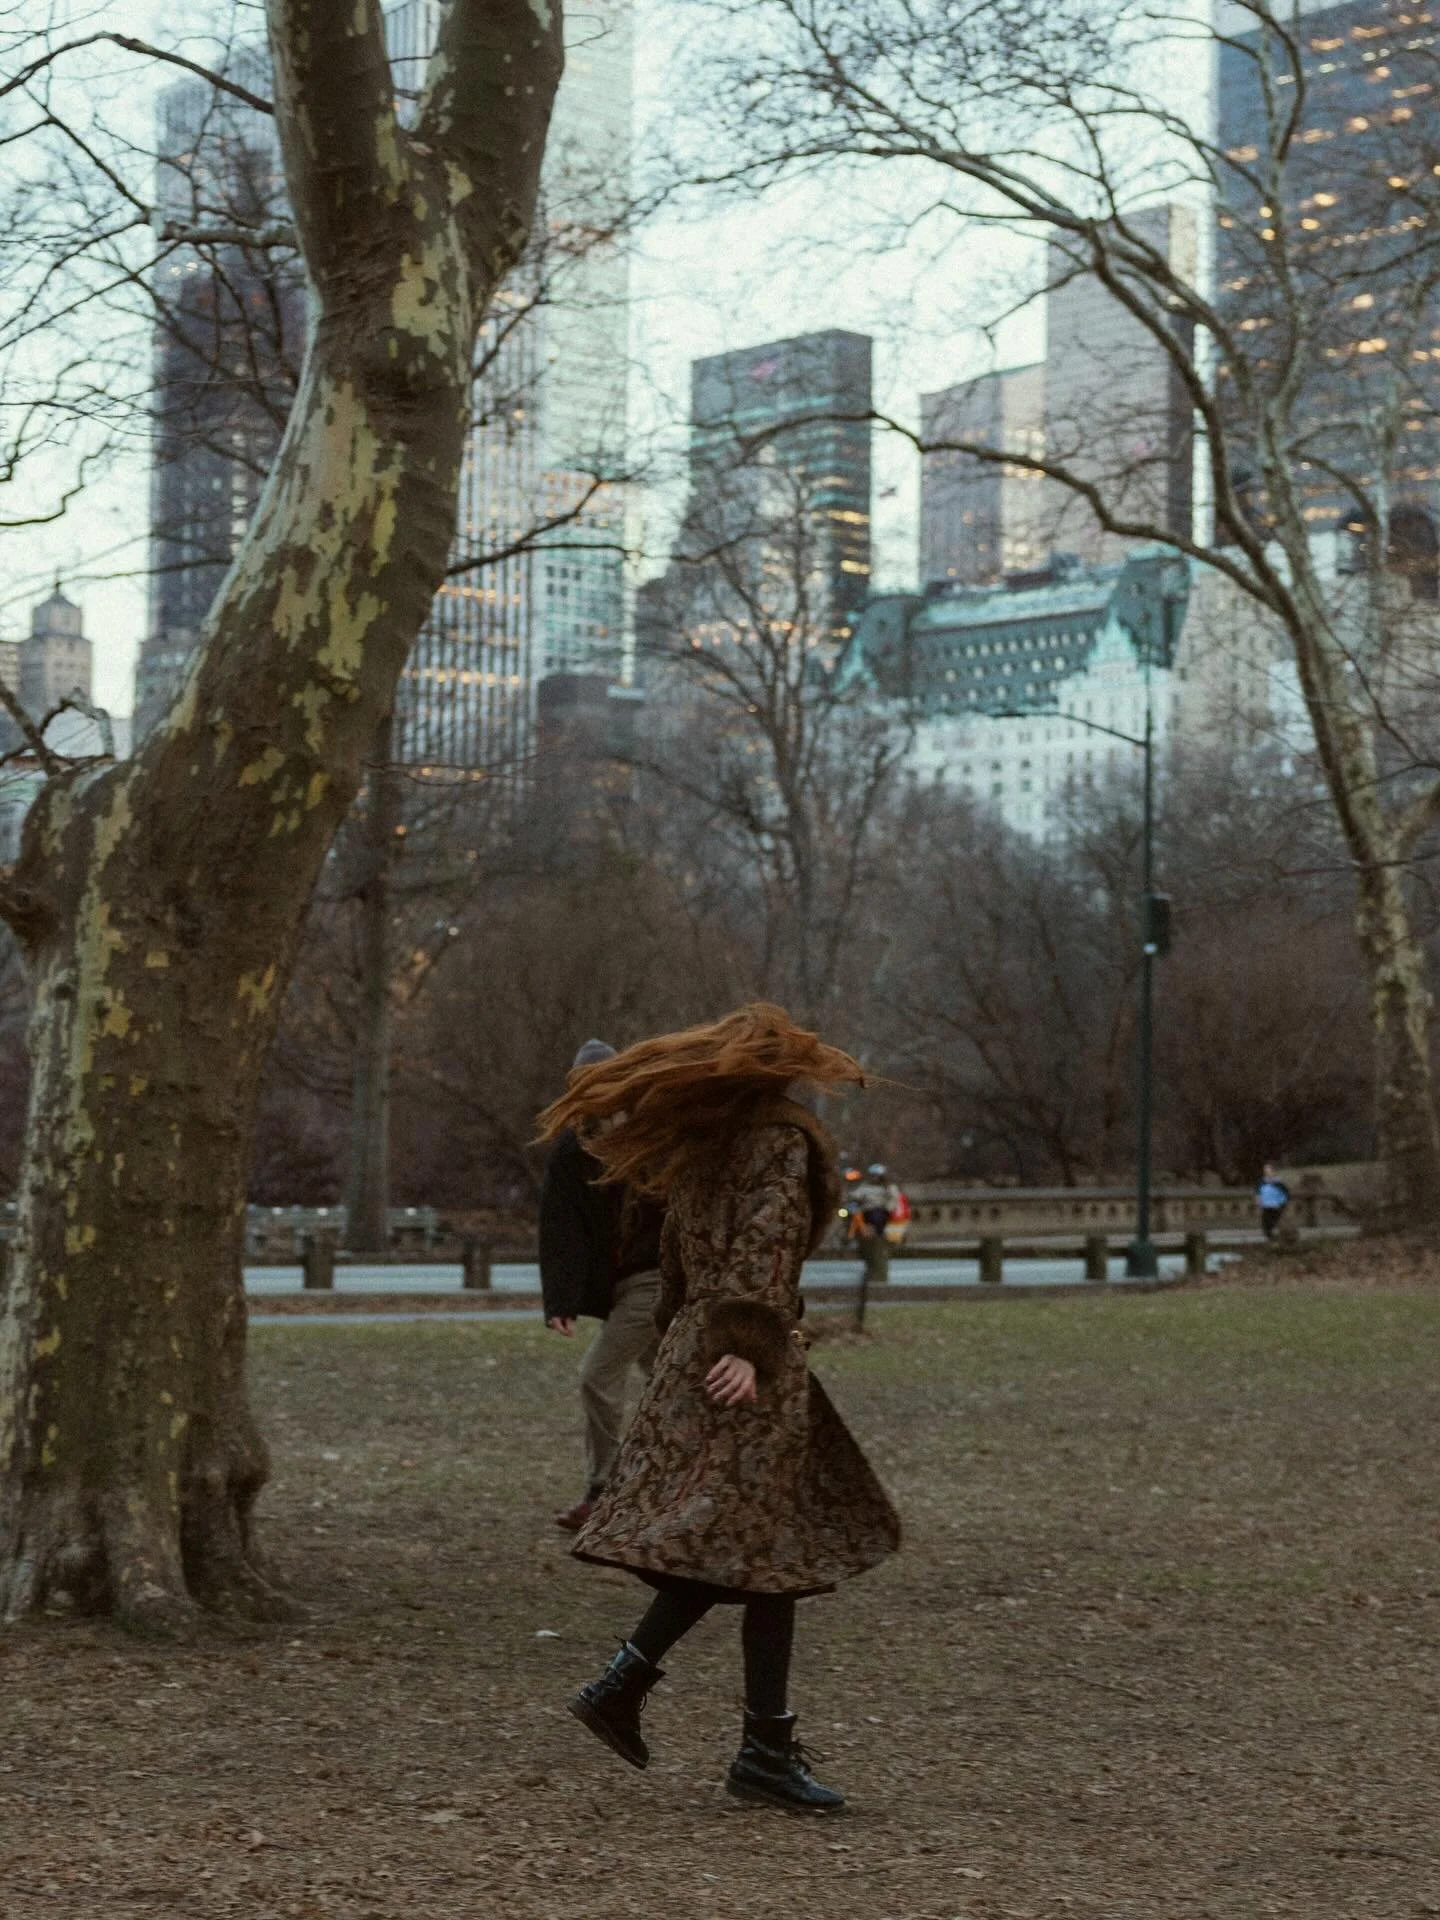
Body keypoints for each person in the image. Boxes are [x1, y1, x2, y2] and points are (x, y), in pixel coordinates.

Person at [537, 1004, 901, 1814]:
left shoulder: (702, 1145)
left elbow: (676, 1256)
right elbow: (764, 1244)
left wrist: (689, 1340)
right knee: (751, 1544)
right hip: (745, 1361)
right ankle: (659, 1702)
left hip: (702, 1348)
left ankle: (733, 1733)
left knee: (763, 1548)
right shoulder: (773, 1140)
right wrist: (747, 1344)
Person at [540, 1039, 666, 1533]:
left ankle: (606, 1488)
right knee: (670, 1378)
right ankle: (678, 1480)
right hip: (625, 1283)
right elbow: (560, 1227)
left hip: (656, 1277)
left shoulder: (650, 1134)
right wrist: (561, 1300)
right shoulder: (571, 1150)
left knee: (599, 1374)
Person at [850, 1162, 900, 1286]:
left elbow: (894, 1199)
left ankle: (873, 1232)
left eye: (876, 1175)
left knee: (875, 1219)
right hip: (865, 1211)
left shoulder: (888, 1187)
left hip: (879, 1211)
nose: (874, 1178)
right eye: (872, 1175)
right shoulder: (865, 1186)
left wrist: (888, 1208)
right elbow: (856, 1195)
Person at [1256, 1163, 1291, 1241]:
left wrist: (1282, 1204)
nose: (1267, 1173)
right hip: (1266, 1206)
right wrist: (1258, 1203)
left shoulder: (1279, 1183)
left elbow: (1286, 1194)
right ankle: (1270, 1237)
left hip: (1276, 1206)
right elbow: (1258, 1193)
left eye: (1269, 1171)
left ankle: (1278, 1237)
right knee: (1266, 1224)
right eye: (1265, 1171)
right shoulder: (1262, 1182)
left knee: (1274, 1222)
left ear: (1274, 1171)